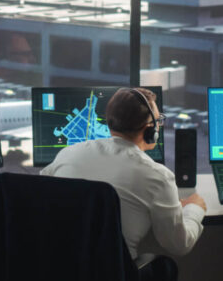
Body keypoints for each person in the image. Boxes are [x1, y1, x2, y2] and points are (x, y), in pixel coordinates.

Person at [41, 87, 207, 258]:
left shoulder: (67, 153)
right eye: (158, 121)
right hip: (113, 279)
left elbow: (38, 189)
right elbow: (180, 245)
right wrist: (194, 208)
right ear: (150, 130)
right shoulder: (158, 176)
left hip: (59, 272)